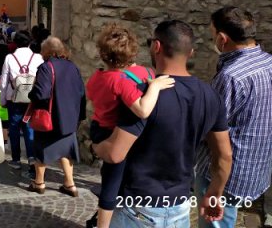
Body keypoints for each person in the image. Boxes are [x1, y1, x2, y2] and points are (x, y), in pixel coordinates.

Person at [94, 20, 232, 228]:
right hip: (180, 205)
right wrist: (213, 195)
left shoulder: (144, 94)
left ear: (156, 46)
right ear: (191, 52)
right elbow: (224, 156)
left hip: (138, 206)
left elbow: (115, 153)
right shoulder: (210, 96)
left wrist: (95, 145)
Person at [85, 24, 175, 228]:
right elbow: (143, 110)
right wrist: (156, 85)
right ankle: (103, 224)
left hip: (99, 127)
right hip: (112, 134)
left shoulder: (98, 77)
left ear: (102, 53)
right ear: (132, 52)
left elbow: (92, 96)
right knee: (112, 182)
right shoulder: (127, 80)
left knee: (114, 178)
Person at [195, 7, 272, 228]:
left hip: (223, 174)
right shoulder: (267, 61)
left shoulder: (231, 77)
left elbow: (210, 128)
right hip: (255, 167)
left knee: (215, 222)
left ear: (222, 38)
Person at [28, 37, 85, 196]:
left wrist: (31, 93)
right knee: (66, 151)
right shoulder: (73, 67)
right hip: (69, 118)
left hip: (50, 117)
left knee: (42, 149)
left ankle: (39, 183)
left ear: (48, 51)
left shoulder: (46, 67)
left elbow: (41, 94)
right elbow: (81, 92)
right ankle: (70, 184)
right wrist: (80, 116)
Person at [0, 30, 44, 170]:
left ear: (15, 43)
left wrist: (2, 100)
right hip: (32, 98)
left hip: (14, 97)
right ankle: (31, 156)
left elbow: (4, 82)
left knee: (13, 127)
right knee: (29, 126)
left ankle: (16, 159)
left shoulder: (9, 58)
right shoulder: (38, 58)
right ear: (29, 42)